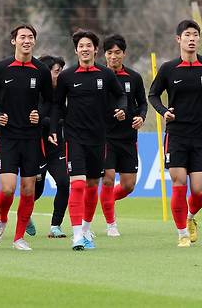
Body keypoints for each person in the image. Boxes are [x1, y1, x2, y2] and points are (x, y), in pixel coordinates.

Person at [148, 20, 202, 248]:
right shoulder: (168, 68)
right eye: (187, 35)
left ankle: (190, 217)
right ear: (178, 40)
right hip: (177, 135)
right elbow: (153, 94)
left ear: (198, 39)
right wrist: (164, 112)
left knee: (200, 191)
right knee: (179, 182)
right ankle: (182, 232)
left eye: (195, 35)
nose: (192, 39)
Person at [49, 30, 127, 250]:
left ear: (95, 49)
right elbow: (56, 105)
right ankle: (76, 236)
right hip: (74, 137)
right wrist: (54, 128)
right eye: (81, 46)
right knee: (78, 183)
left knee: (93, 184)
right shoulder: (67, 76)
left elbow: (120, 95)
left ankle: (85, 229)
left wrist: (121, 109)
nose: (85, 49)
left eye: (89, 45)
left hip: (99, 138)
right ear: (76, 50)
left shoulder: (106, 75)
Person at [0, 24, 54, 251]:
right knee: (8, 189)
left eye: (30, 37)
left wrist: (39, 114)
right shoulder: (1, 68)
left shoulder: (41, 70)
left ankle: (18, 238)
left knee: (28, 189)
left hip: (32, 138)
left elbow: (49, 101)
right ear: (13, 41)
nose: (26, 41)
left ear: (34, 41)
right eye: (22, 37)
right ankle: (2, 218)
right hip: (8, 137)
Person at [99, 34, 147, 237]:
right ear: (104, 54)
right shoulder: (98, 77)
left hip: (128, 138)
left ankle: (104, 200)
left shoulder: (134, 78)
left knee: (128, 186)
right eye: (109, 53)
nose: (113, 57)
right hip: (105, 137)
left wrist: (141, 117)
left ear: (124, 54)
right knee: (108, 180)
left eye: (117, 53)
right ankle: (111, 224)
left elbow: (142, 103)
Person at [33, 55, 69, 238]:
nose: (60, 75)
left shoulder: (64, 92)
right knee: (36, 190)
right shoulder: (35, 93)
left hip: (56, 148)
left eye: (61, 72)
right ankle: (26, 214)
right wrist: (54, 125)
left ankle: (56, 226)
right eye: (57, 72)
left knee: (64, 182)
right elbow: (36, 118)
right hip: (37, 147)